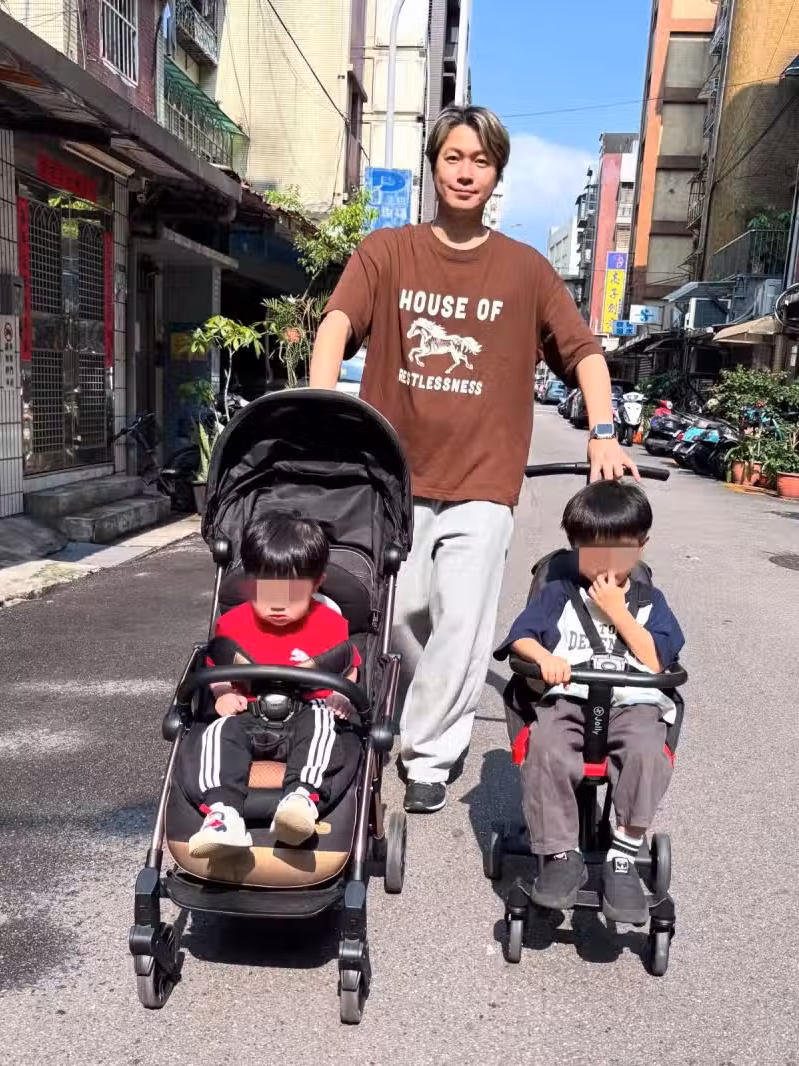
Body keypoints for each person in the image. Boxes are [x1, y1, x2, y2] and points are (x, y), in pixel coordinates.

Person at [309, 103, 638, 815]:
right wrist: (322, 410)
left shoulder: (526, 270)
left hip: (485, 481)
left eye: (480, 161)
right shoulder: (387, 252)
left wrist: (604, 429)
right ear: (434, 166)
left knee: (460, 621)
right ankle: (414, 707)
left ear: (497, 175)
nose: (465, 172)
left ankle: (429, 754)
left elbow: (584, 352)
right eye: (453, 157)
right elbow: (336, 323)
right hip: (391, 479)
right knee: (400, 614)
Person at [494, 480, 684, 925]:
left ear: (640, 547)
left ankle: (622, 854)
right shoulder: (560, 594)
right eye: (592, 552)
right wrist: (544, 657)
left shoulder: (650, 602)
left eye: (618, 552)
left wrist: (617, 610)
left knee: (645, 750)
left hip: (633, 705)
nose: (605, 564)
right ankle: (561, 853)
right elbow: (521, 636)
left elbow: (658, 658)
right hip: (571, 702)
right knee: (546, 747)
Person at [186, 511, 362, 855]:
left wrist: (342, 694)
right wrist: (224, 692)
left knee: (323, 725)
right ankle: (222, 815)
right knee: (217, 732)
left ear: (316, 584)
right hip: (248, 710)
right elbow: (216, 665)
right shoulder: (233, 624)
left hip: (307, 710)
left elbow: (349, 665)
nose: (278, 605)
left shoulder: (331, 624)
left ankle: (300, 800)